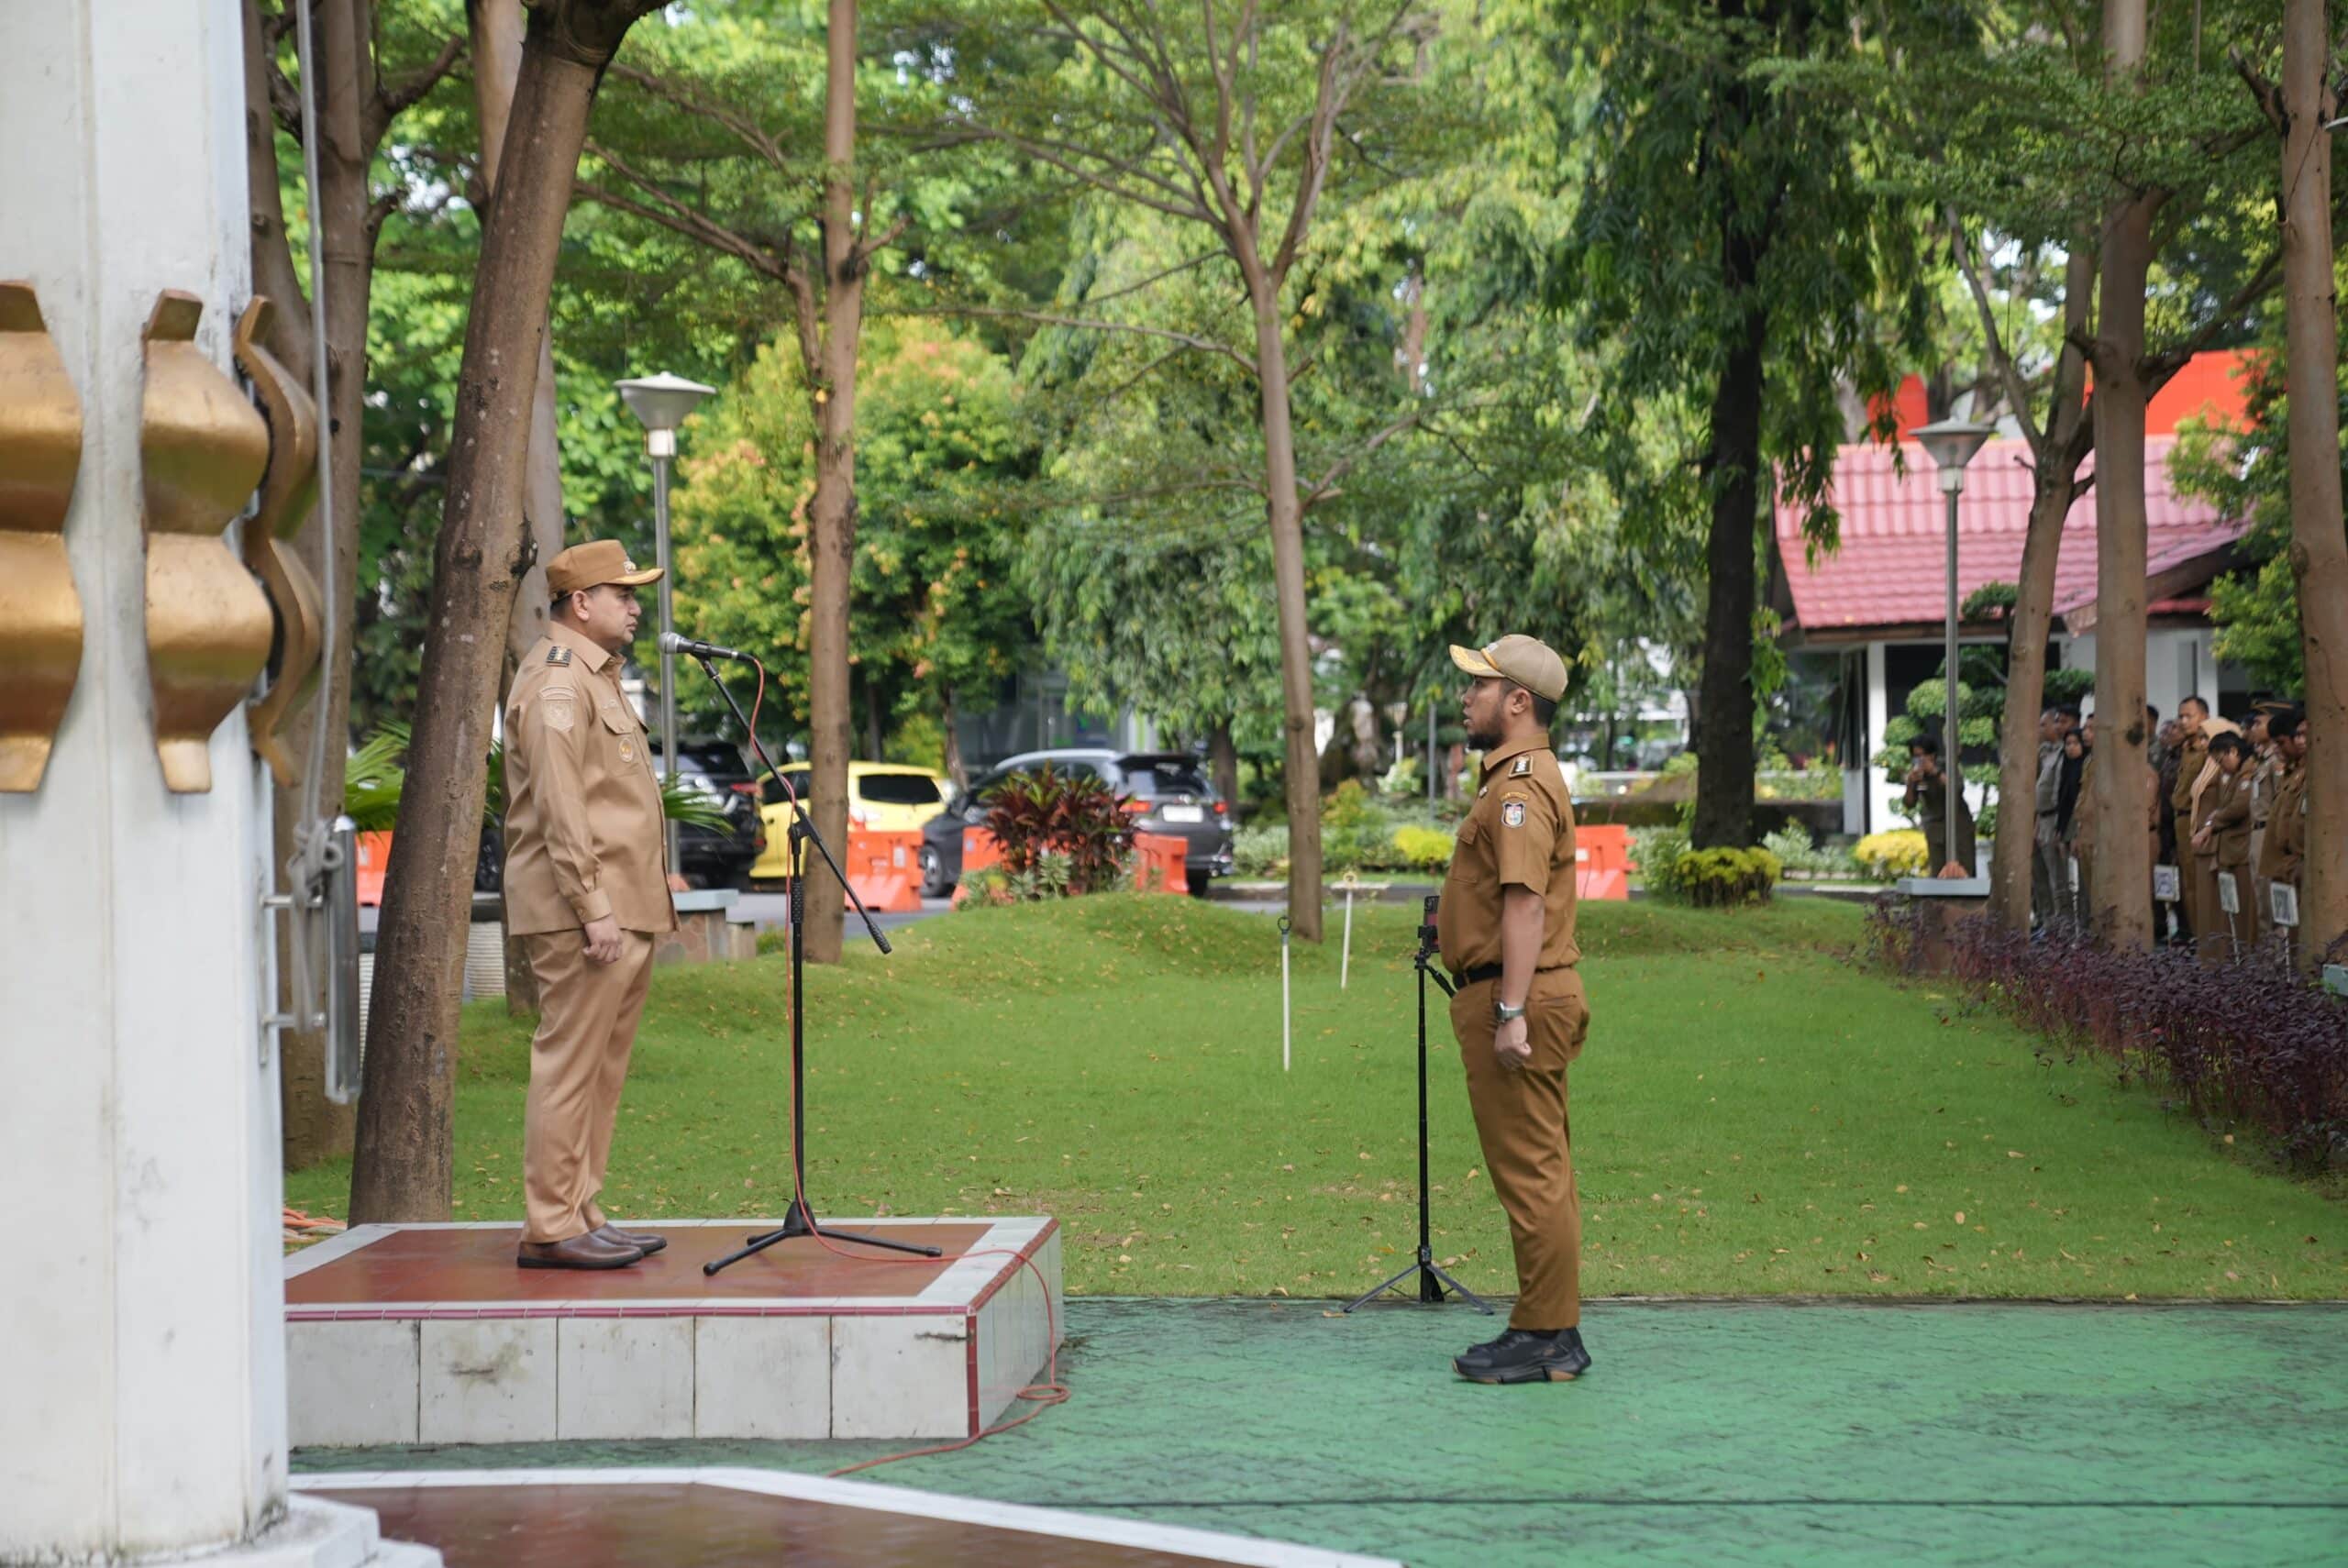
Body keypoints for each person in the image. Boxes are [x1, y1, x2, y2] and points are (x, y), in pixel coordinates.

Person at [503, 539, 681, 1270]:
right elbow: (561, 805)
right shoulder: (555, 683)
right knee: (570, 1065)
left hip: (618, 909)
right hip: (585, 913)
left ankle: (580, 1209)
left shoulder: (595, 678)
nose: (636, 607)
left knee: (601, 1070)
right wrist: (593, 906)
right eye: (624, 594)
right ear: (582, 602)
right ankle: (550, 1223)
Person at [1437, 634, 1591, 1385]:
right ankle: (1550, 1327)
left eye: (1479, 686)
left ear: (1518, 702)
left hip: (1518, 997)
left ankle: (1547, 1335)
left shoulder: (1520, 786)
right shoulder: (1518, 780)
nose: (1466, 698)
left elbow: (1525, 904)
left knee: (1532, 1173)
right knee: (1543, 1170)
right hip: (1522, 989)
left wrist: (1509, 1011)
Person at [2191, 730, 2252, 964]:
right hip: (2229, 848)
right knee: (2231, 908)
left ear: (2233, 751)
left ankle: (2246, 961)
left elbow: (2237, 807)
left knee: (2245, 911)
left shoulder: (2248, 772)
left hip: (2241, 848)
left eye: (2221, 759)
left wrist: (2209, 826)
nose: (2220, 766)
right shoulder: (2235, 774)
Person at [2259, 709, 2308, 958]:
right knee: (2286, 930)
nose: (2301, 740)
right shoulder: (2292, 772)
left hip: (2300, 862)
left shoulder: (2312, 773)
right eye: (2297, 735)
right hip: (2284, 863)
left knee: (2301, 935)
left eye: (2281, 742)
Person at [2169, 697, 2213, 946]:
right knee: (2187, 885)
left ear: (2204, 717)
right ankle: (2197, 938)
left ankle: (2207, 941)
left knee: (2200, 884)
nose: (2183, 721)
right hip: (2180, 822)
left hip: (2197, 821)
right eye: (2181, 716)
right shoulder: (2185, 749)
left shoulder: (2209, 750)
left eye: (2189, 716)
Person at [1902, 734, 1976, 876]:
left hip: (1959, 826)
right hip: (1935, 828)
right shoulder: (1916, 772)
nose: (1920, 760)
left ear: (1932, 755)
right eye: (1916, 756)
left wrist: (1934, 772)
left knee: (1964, 869)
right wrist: (1911, 784)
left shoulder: (1947, 766)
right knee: (1938, 871)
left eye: (1923, 756)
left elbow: (1957, 789)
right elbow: (1909, 803)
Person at [2032, 706, 2076, 930]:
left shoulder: (2067, 753)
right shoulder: (2047, 752)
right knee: (2048, 878)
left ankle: (2064, 928)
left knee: (2061, 879)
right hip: (2045, 819)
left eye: (2062, 721)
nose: (2059, 726)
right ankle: (2051, 923)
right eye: (2056, 722)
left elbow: (2062, 793)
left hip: (2058, 820)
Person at [2066, 721, 2095, 922]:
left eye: (2092, 729)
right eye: (2085, 728)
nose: (2086, 733)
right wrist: (2077, 833)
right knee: (2087, 884)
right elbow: (2082, 796)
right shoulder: (2089, 761)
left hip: (2099, 832)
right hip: (2084, 828)